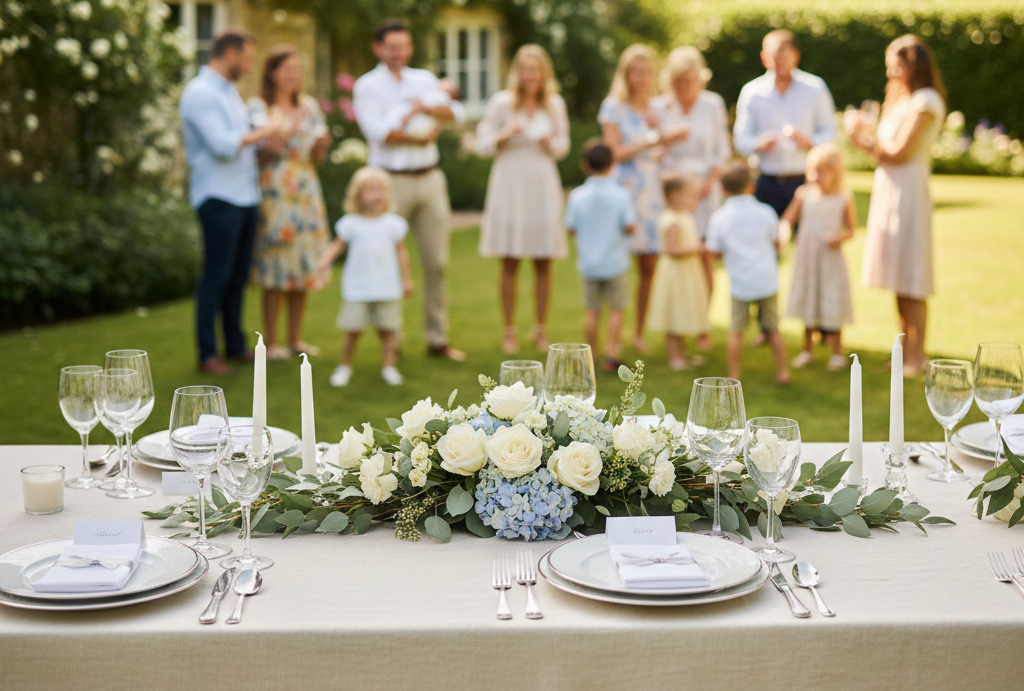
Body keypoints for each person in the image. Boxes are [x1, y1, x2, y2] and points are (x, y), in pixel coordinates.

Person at [353, 18, 466, 362]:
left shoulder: (424, 80)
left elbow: (455, 113)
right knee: (389, 262)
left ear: (410, 47)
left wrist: (428, 108)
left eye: (403, 46)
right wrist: (418, 134)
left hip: (430, 178)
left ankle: (437, 338)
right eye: (391, 47)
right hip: (390, 181)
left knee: (437, 262)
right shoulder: (367, 86)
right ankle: (393, 341)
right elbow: (378, 133)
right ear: (379, 48)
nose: (398, 53)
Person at [180, 29, 286, 375]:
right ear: (230, 54)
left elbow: (243, 145)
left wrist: (266, 145)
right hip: (217, 196)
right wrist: (266, 130)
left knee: (238, 277)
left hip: (244, 195)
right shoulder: (200, 93)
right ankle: (207, 353)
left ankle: (236, 344)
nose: (250, 64)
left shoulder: (228, 91)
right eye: (247, 57)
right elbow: (223, 146)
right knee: (216, 275)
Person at [849, 36, 946, 377]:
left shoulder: (925, 100)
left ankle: (918, 355)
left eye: (897, 64)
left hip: (909, 190)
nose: (891, 71)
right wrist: (860, 140)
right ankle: (903, 349)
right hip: (890, 186)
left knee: (912, 274)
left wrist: (866, 139)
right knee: (897, 274)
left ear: (915, 65)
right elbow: (884, 153)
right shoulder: (901, 98)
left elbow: (899, 152)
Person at [733, 30, 836, 349]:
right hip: (766, 181)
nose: (779, 61)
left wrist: (810, 142)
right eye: (773, 55)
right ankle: (767, 325)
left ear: (795, 56)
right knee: (765, 254)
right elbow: (740, 138)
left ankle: (820, 325)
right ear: (764, 57)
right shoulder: (752, 92)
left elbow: (830, 131)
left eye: (784, 54)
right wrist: (757, 143)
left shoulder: (815, 88)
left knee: (816, 253)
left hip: (806, 182)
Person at [476, 44, 570, 354]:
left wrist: (550, 143)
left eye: (536, 69)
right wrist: (504, 133)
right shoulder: (502, 103)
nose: (530, 75)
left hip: (542, 182)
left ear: (544, 73)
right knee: (510, 258)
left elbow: (563, 146)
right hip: (510, 183)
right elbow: (483, 143)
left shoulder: (555, 105)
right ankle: (509, 331)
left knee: (544, 259)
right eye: (525, 69)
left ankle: (541, 329)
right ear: (518, 71)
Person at [600, 44, 686, 355]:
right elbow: (614, 152)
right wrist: (653, 138)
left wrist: (660, 142)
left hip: (651, 190)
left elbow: (659, 150)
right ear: (626, 75)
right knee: (617, 264)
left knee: (649, 265)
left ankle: (638, 331)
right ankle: (612, 335)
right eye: (636, 72)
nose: (642, 78)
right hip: (624, 189)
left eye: (647, 72)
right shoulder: (614, 108)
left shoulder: (657, 109)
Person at [248, 46, 332, 361]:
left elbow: (315, 156)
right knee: (276, 264)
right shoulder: (259, 107)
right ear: (272, 73)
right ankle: (270, 342)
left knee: (303, 264)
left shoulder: (309, 106)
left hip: (306, 189)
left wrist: (320, 146)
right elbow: (259, 153)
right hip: (276, 191)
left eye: (297, 70)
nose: (294, 75)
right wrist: (281, 137)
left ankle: (295, 338)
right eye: (288, 70)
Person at [652, 46, 730, 347]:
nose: (686, 86)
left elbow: (722, 149)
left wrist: (710, 180)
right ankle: (675, 326)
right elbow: (655, 151)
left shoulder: (712, 105)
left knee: (703, 256)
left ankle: (702, 324)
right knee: (676, 254)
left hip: (703, 190)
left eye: (692, 80)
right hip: (671, 192)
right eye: (680, 81)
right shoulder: (661, 108)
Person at [315, 167, 413, 387]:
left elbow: (402, 253)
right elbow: (336, 246)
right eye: (371, 190)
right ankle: (344, 367)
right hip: (358, 289)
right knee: (353, 331)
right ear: (358, 195)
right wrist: (323, 264)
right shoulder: (350, 223)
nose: (377, 195)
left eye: (381, 190)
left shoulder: (393, 224)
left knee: (388, 331)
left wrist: (407, 280)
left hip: (387, 287)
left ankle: (389, 367)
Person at [705, 161, 789, 384]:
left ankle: (734, 374)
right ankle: (783, 371)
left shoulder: (719, 218)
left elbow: (713, 251)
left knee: (736, 329)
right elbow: (776, 241)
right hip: (766, 278)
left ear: (723, 189)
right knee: (773, 326)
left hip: (740, 282)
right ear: (752, 186)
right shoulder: (766, 212)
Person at [563, 142, 636, 370]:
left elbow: (571, 227)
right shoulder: (621, 194)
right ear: (613, 164)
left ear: (585, 165)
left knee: (592, 310)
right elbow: (630, 226)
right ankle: (612, 352)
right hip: (615, 261)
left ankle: (591, 355)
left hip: (589, 263)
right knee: (616, 309)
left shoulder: (577, 195)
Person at [783, 143, 855, 371]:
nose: (816, 176)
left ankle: (837, 351)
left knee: (832, 300)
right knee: (809, 300)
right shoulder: (803, 194)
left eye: (822, 171)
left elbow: (852, 230)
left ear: (836, 172)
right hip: (808, 259)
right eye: (813, 170)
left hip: (830, 260)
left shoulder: (843, 199)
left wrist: (838, 238)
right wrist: (782, 235)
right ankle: (807, 350)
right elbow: (788, 219)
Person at [648, 174, 710, 370]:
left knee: (682, 312)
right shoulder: (673, 220)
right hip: (675, 273)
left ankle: (682, 354)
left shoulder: (683, 214)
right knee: (674, 313)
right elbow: (670, 249)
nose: (693, 199)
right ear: (675, 195)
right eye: (689, 195)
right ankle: (674, 357)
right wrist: (696, 249)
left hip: (685, 271)